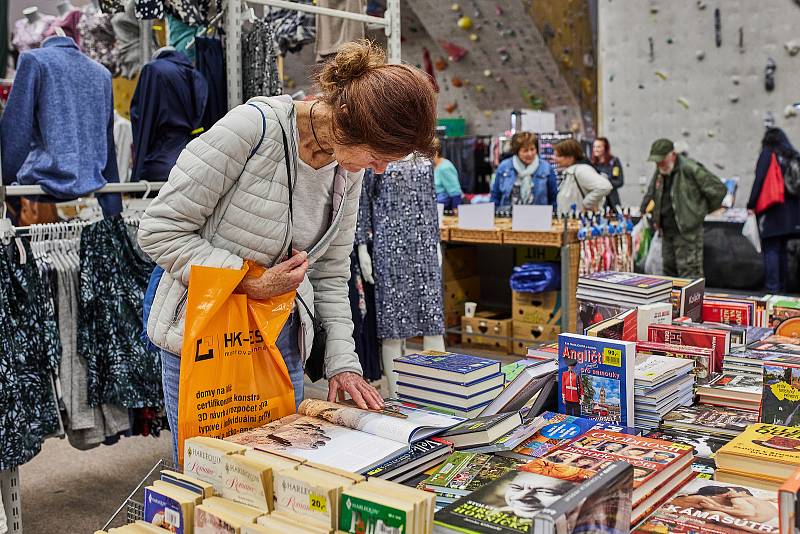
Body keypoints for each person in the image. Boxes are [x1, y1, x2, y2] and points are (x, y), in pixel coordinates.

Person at [137, 40, 437, 462]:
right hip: (207, 336)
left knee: (280, 470)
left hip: (282, 341)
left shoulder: (347, 171)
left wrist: (343, 362)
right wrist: (250, 279)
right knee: (210, 472)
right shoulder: (252, 129)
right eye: (377, 156)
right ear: (347, 122)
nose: (380, 169)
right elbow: (158, 230)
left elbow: (332, 271)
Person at [640, 138, 727, 278]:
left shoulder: (690, 168)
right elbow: (652, 191)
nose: (658, 163)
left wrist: (699, 212)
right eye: (656, 160)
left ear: (672, 155)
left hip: (687, 233)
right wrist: (643, 209)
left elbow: (718, 189)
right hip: (666, 231)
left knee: (689, 274)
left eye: (661, 159)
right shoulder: (660, 170)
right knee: (669, 275)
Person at [746, 128, 800, 292]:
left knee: (771, 249)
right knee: (782, 250)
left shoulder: (768, 154)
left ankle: (772, 288)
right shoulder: (792, 155)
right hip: (792, 214)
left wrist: (751, 205)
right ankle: (782, 288)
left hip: (773, 210)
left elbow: (759, 179)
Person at [490, 131, 558, 209]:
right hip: (507, 218)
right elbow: (495, 195)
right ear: (517, 151)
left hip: (539, 217)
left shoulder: (546, 168)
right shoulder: (504, 167)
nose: (530, 154)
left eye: (532, 149)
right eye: (525, 150)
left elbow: (553, 198)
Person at [554, 139, 612, 215]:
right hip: (571, 221)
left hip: (580, 222)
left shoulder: (581, 170)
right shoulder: (571, 172)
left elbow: (605, 186)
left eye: (559, 156)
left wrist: (586, 203)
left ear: (571, 157)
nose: (555, 158)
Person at [591, 137, 624, 209]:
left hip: (612, 202)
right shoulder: (591, 164)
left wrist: (606, 181)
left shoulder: (614, 162)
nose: (595, 149)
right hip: (597, 202)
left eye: (598, 147)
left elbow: (619, 182)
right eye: (594, 147)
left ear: (605, 148)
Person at [432, 137, 463, 210]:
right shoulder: (432, 166)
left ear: (435, 152)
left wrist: (455, 213)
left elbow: (455, 192)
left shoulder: (445, 167)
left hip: (445, 209)